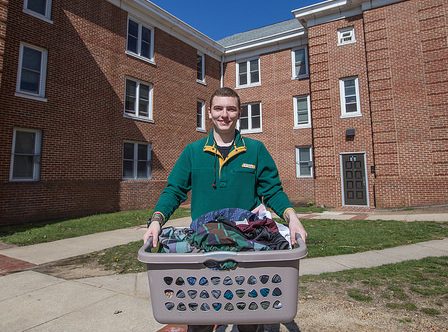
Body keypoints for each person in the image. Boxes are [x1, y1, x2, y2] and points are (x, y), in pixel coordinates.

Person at [143, 87, 307, 332]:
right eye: (218, 108)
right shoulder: (193, 152)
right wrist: (156, 220)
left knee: (249, 317)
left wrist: (292, 218)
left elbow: (272, 191)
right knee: (200, 318)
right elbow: (174, 190)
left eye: (230, 108)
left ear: (239, 112)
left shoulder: (255, 150)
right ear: (209, 112)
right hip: (203, 247)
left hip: (246, 247)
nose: (224, 114)